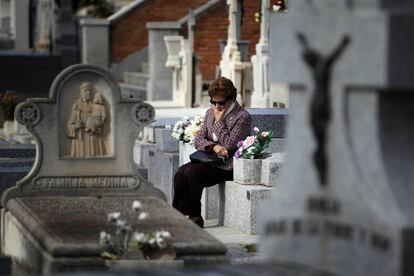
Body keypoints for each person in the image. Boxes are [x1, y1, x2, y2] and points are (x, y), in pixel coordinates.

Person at [172, 77, 252, 227]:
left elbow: (229, 144)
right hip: (209, 159)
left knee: (191, 173)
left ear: (231, 99)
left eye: (221, 102)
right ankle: (179, 214)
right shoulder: (210, 113)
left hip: (227, 165)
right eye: (213, 102)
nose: (217, 106)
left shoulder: (242, 116)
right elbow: (198, 139)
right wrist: (214, 147)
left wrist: (219, 122)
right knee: (181, 172)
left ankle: (194, 218)